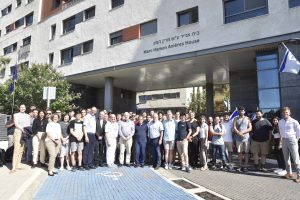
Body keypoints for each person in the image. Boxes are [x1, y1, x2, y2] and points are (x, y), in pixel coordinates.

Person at [278, 107, 300, 183]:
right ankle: (289, 173)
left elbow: (298, 132)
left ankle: (299, 175)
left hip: (292, 140)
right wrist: (281, 141)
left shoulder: (294, 121)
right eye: (284, 112)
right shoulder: (280, 122)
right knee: (286, 158)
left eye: (287, 112)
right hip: (284, 140)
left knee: (296, 159)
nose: (285, 114)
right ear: (282, 113)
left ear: (289, 113)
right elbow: (281, 132)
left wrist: (295, 140)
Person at [10, 104, 31, 173]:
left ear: (25, 108)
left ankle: (18, 165)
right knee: (16, 149)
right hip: (18, 132)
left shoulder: (28, 116)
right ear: (19, 108)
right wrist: (22, 129)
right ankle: (13, 167)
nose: (22, 108)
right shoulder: (16, 115)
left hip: (24, 133)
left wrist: (26, 131)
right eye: (21, 107)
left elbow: (28, 125)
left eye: (24, 107)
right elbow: (16, 124)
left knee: (21, 150)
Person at [232, 106, 252, 172]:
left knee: (246, 153)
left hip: (246, 138)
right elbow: (234, 127)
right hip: (238, 138)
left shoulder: (248, 118)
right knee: (239, 153)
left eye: (242, 111)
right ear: (238, 111)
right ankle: (240, 166)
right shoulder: (235, 119)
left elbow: (250, 128)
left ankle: (246, 166)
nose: (241, 112)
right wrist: (238, 133)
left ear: (244, 111)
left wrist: (242, 132)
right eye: (240, 111)